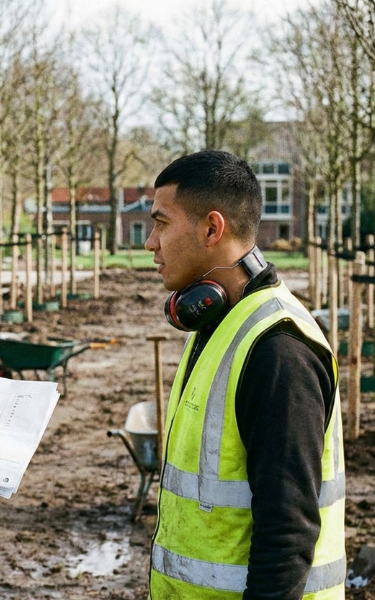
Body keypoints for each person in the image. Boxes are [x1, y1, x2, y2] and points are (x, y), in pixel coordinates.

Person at [143, 150, 345, 600]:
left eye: (161, 223)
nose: (150, 243)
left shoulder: (278, 350)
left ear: (212, 228)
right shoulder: (218, 323)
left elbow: (287, 533)